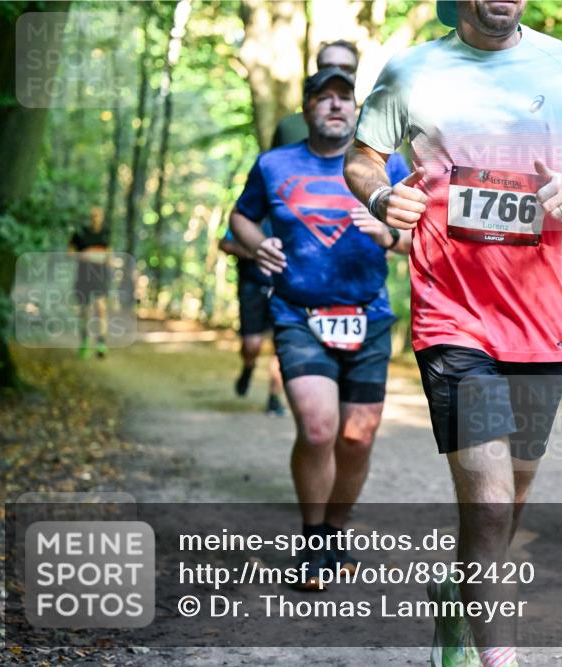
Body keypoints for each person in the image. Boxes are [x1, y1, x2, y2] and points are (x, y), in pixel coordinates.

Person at [344, 1, 562, 665]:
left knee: (510, 500)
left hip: (540, 323)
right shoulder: (415, 70)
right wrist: (384, 197)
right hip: (452, 318)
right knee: (492, 504)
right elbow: (362, 159)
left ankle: (458, 592)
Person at [230, 67, 411, 591]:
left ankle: (334, 533)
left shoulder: (387, 165)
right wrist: (253, 243)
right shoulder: (273, 164)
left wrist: (390, 234)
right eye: (323, 98)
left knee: (357, 438)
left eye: (344, 98)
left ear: (356, 110)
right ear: (306, 109)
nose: (334, 106)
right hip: (297, 314)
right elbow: (241, 217)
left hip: (369, 316)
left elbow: (421, 238)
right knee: (317, 428)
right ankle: (313, 539)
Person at [218, 221, 285, 416]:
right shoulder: (250, 213)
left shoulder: (291, 209)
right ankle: (248, 367)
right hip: (252, 288)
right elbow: (224, 244)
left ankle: (274, 397)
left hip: (283, 289)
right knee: (251, 345)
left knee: (281, 346)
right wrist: (252, 252)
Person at [271, 40, 360, 149]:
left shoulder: (373, 130)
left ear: (355, 75)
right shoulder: (289, 128)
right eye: (328, 68)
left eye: (345, 69)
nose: (336, 73)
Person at [69, 206, 112, 359]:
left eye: (97, 215)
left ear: (101, 216)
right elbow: (70, 253)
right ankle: (85, 340)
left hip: (100, 277)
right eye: (92, 216)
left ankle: (101, 342)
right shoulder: (80, 233)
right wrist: (84, 255)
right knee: (84, 311)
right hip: (83, 277)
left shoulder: (106, 233)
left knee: (100, 308)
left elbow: (109, 254)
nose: (95, 218)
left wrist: (108, 262)